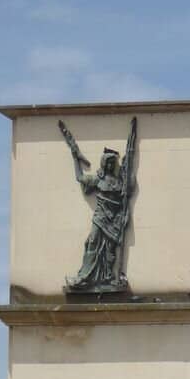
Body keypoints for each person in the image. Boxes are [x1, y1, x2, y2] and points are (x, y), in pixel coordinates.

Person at [60, 118, 137, 293]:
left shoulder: (119, 181)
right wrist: (75, 157)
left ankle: (109, 277)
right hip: (100, 217)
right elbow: (80, 178)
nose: (111, 165)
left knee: (110, 251)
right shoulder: (99, 178)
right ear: (104, 163)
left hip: (114, 220)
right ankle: (85, 278)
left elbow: (128, 190)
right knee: (92, 242)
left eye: (113, 162)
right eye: (108, 162)